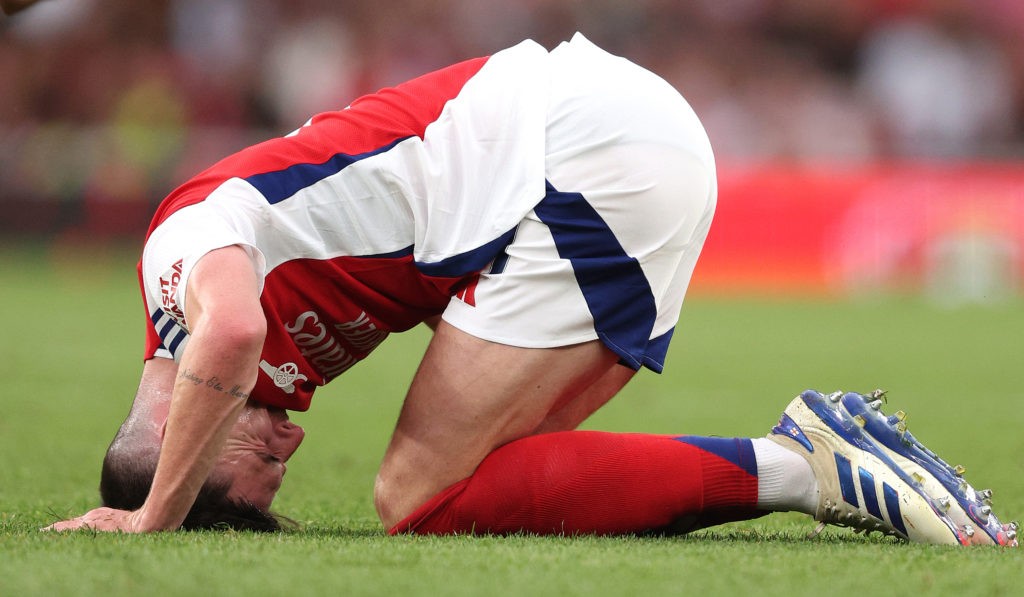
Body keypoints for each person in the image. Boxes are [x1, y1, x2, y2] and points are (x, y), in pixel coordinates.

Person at [46, 34, 1017, 546]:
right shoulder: (287, 324)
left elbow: (225, 339)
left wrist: (153, 518)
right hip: (607, 157)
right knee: (486, 483)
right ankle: (803, 461)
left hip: (576, 151)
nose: (292, 438)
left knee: (414, 497)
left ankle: (801, 465)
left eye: (258, 449)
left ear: (192, 436)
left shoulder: (177, 258)